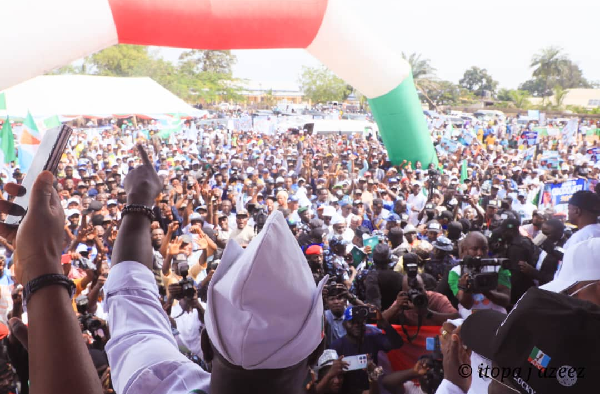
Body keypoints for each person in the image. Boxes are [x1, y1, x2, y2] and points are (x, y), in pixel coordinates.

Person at [103, 145, 328, 394]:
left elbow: (130, 295)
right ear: (318, 352)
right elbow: (129, 292)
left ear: (206, 345)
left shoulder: (156, 383)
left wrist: (139, 198)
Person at [330, 305, 403, 393]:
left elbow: (397, 344)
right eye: (352, 322)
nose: (357, 325)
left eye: (360, 321)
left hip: (373, 389)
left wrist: (384, 323)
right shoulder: (337, 346)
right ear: (345, 324)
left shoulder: (373, 339)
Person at [448, 232, 511, 318]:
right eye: (475, 249)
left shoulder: (498, 268)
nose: (480, 253)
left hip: (497, 318)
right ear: (464, 249)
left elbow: (506, 300)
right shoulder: (456, 273)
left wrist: (485, 290)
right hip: (469, 320)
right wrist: (466, 289)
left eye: (484, 248)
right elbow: (467, 305)